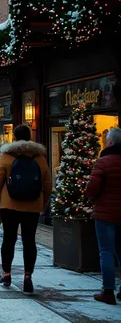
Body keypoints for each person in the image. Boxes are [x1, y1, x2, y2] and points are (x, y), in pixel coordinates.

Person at [0, 125, 51, 294]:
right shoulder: (39, 158)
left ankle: (7, 274)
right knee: (29, 240)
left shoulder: (7, 156)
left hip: (9, 205)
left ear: (14, 137)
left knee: (9, 239)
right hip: (32, 206)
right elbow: (47, 184)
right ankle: (27, 276)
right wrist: (42, 204)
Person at [84, 127, 121, 305]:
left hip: (105, 214)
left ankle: (108, 291)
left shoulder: (103, 162)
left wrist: (93, 199)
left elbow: (91, 189)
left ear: (110, 142)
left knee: (106, 251)